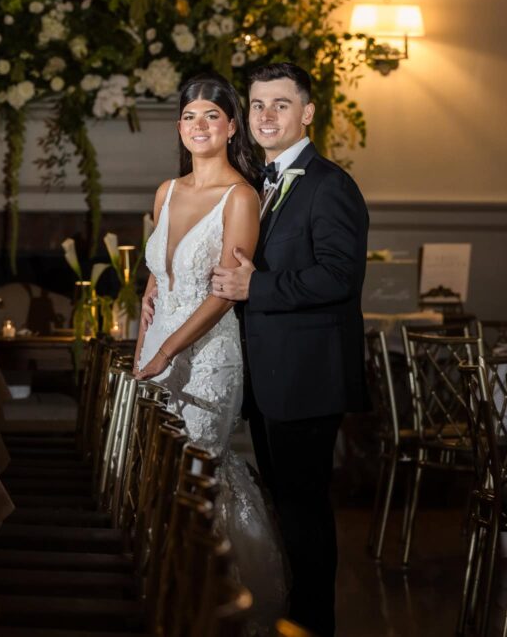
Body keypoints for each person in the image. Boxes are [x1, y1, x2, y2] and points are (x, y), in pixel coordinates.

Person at [211, 62, 370, 637]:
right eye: (257, 105)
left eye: (280, 104)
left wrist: (257, 286)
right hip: (273, 378)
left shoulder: (330, 184)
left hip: (308, 377)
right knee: (286, 506)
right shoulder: (265, 181)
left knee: (303, 511)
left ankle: (311, 625)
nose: (266, 115)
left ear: (306, 113)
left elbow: (338, 278)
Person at [134, 73, 288, 632]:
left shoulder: (240, 197)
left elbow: (225, 293)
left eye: (211, 116)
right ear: (180, 127)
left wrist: (169, 350)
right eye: (190, 117)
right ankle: (162, 596)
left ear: (230, 127)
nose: (199, 126)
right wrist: (143, 343)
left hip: (207, 360)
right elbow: (159, 279)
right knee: (154, 473)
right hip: (155, 351)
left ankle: (213, 605)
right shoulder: (165, 191)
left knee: (197, 477)